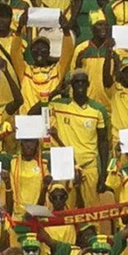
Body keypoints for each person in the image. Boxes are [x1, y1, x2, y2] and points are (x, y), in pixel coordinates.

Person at [49, 70, 109, 209]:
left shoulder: (98, 109)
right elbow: (35, 111)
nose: (80, 85)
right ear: (71, 85)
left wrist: (103, 172)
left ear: (88, 85)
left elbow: (103, 141)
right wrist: (54, 93)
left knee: (89, 212)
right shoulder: (59, 105)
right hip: (64, 167)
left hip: (89, 166)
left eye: (83, 82)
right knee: (64, 212)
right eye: (76, 82)